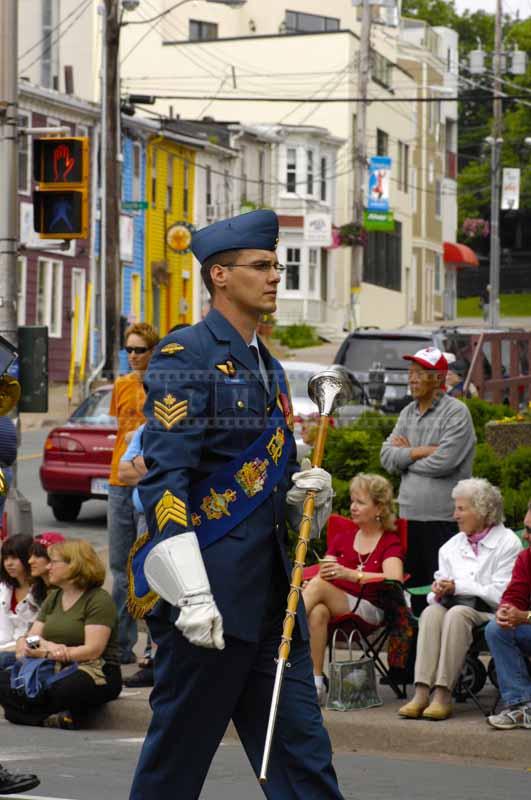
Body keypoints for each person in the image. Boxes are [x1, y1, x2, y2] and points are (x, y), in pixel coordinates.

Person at [128, 209, 344, 799]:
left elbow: (265, 485)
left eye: (276, 265)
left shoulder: (267, 365)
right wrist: (191, 593)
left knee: (303, 758)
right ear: (219, 276)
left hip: (274, 595)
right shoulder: (185, 356)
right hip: (211, 602)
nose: (275, 276)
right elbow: (164, 480)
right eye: (261, 266)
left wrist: (305, 498)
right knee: (177, 760)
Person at [399, 478, 521, 721]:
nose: (454, 515)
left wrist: (459, 586)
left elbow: (503, 594)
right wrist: (439, 590)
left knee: (457, 614)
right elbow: (437, 589)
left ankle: (443, 695)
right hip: (454, 607)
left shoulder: (508, 543)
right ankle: (422, 692)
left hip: (490, 612)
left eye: (461, 508)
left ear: (483, 510)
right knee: (432, 612)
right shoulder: (450, 546)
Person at [380, 347, 476, 615]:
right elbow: (387, 457)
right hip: (408, 520)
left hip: (444, 521)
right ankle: (412, 657)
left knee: (442, 596)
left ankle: (448, 655)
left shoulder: (456, 413)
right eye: (410, 373)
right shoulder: (407, 413)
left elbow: (445, 461)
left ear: (438, 378)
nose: (412, 379)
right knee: (412, 597)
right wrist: (422, 450)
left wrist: (406, 460)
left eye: (420, 373)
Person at [303, 473, 403, 705]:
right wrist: (315, 581)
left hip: (370, 607)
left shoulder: (389, 541)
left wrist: (352, 575)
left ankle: (281, 633)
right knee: (317, 610)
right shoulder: (342, 538)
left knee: (317, 587)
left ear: (379, 507)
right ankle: (316, 683)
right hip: (337, 603)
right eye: (352, 501)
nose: (353, 507)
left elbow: (395, 578)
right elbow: (324, 573)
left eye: (360, 502)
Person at [0, 539, 122, 729]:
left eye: (54, 562)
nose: (48, 567)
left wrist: (51, 652)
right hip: (50, 664)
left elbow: (93, 650)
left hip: (93, 668)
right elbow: (32, 637)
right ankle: (49, 717)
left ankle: (24, 714)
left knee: (64, 688)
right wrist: (43, 648)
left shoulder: (98, 599)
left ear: (75, 565)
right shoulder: (54, 597)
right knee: (7, 675)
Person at [108, 322, 159, 664]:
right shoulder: (122, 385)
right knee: (116, 565)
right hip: (118, 481)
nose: (132, 355)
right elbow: (120, 431)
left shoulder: (162, 385)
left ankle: (155, 647)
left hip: (145, 483)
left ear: (152, 351)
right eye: (129, 349)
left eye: (139, 349)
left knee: (142, 565)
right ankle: (120, 644)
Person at [484, 501, 531, 730]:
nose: (525, 537)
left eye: (530, 531)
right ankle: (522, 705)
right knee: (496, 628)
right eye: (525, 528)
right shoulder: (526, 558)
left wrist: (525, 617)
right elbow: (515, 594)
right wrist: (506, 610)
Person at [0, 534, 40, 670]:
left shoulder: (41, 590)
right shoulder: (4, 588)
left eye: (14, 558)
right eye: (5, 558)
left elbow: (41, 637)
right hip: (7, 646)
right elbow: (3, 633)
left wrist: (12, 648)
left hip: (31, 648)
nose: (8, 563)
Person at [28, 532, 66, 605]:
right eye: (30, 555)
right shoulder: (35, 588)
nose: (30, 561)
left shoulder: (65, 592)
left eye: (37, 556)